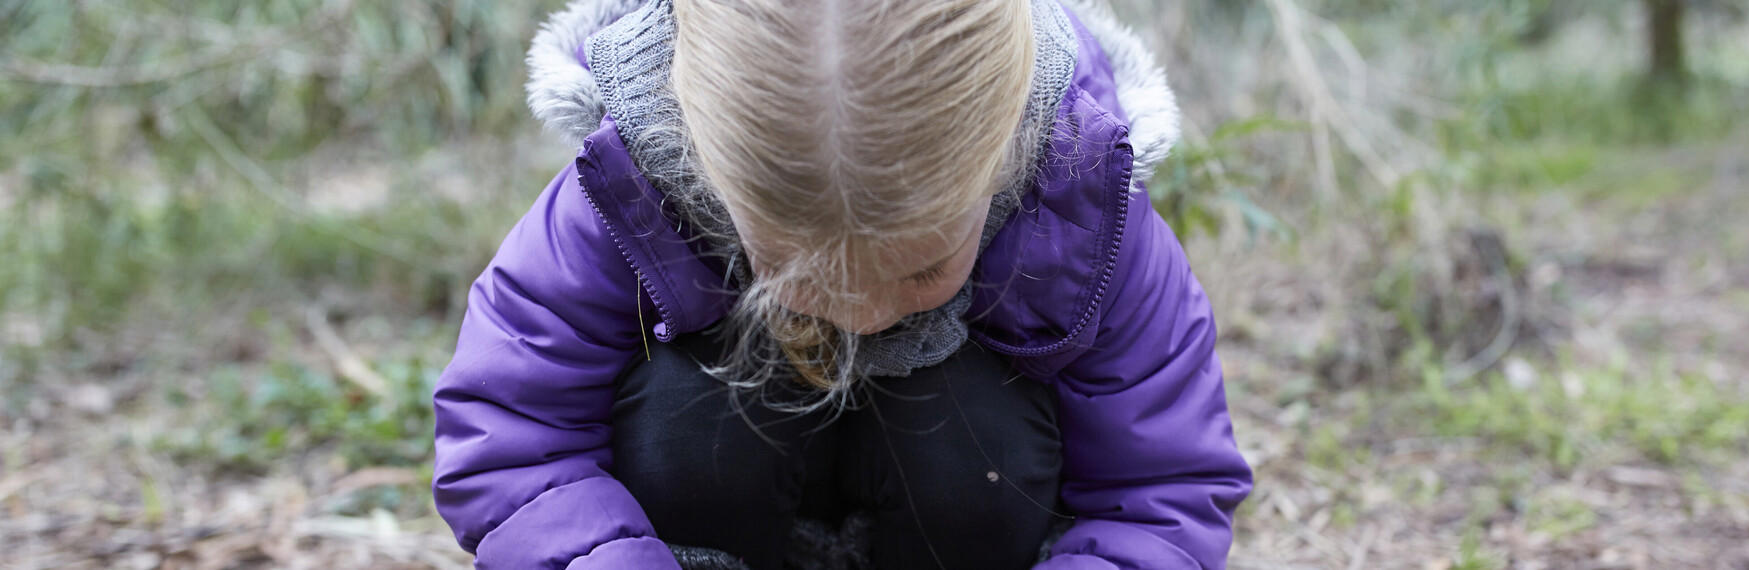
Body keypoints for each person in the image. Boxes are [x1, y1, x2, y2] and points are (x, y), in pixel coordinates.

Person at [431, 0, 1252, 567]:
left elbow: (1159, 491)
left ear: (1006, 156)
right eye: (788, 272)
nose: (869, 311)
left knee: (979, 429)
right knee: (679, 408)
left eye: (923, 267)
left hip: (964, 515)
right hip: (713, 510)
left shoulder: (1082, 197)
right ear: (705, 168)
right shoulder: (629, 182)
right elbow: (510, 435)